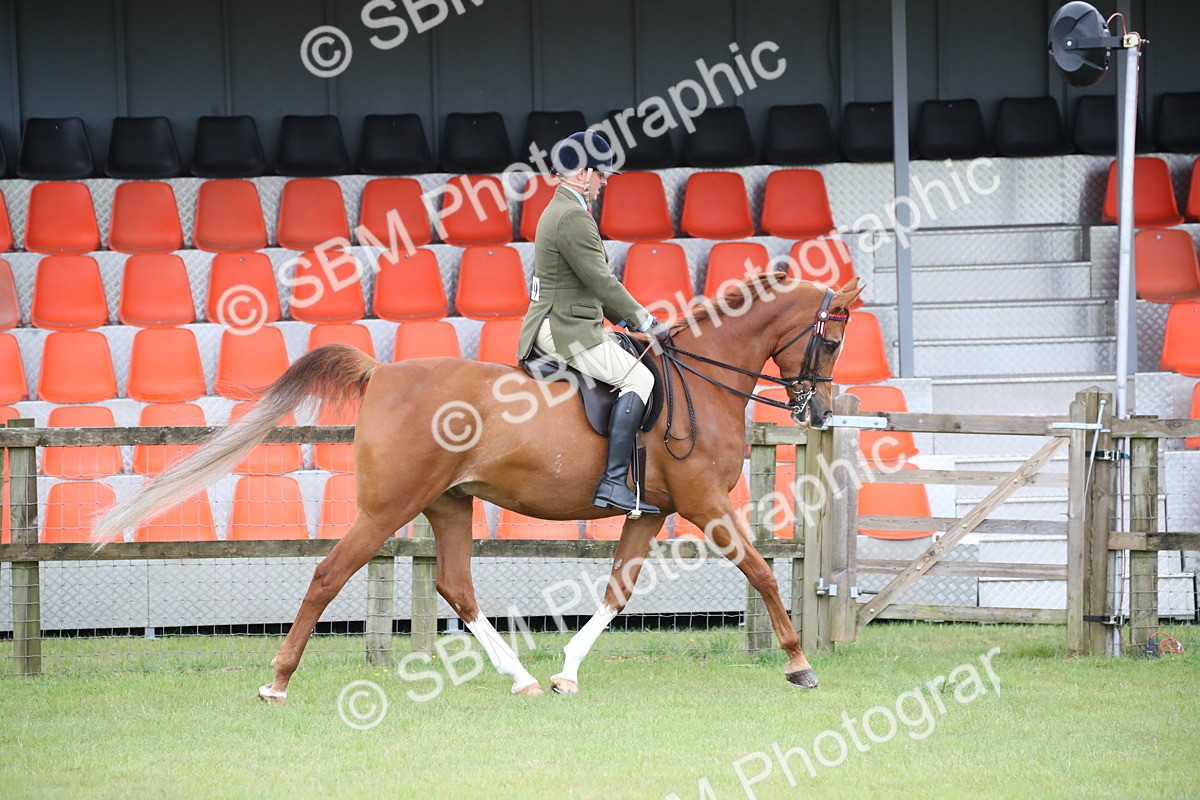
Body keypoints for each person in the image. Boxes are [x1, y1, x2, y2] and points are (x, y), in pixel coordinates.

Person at [515, 130, 670, 515]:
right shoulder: (571, 217)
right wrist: (645, 320)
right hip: (564, 328)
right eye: (600, 174)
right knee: (641, 378)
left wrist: (630, 322)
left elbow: (592, 285)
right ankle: (614, 482)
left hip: (568, 318)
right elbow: (603, 281)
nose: (603, 182)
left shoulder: (564, 210)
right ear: (582, 172)